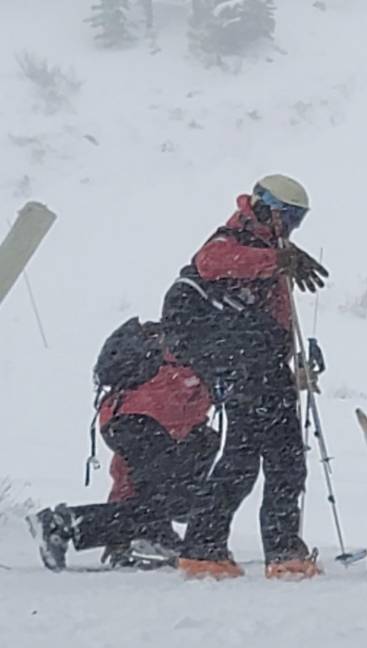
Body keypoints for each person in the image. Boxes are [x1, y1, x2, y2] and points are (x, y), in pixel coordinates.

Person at [160, 174, 328, 580]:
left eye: (297, 221)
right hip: (243, 364)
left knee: (257, 457)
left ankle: (208, 548)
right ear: (265, 207)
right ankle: (271, 550)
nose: (290, 228)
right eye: (288, 218)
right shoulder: (233, 239)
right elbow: (210, 262)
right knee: (267, 457)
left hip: (256, 364)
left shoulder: (268, 248)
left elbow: (275, 317)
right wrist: (278, 259)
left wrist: (291, 361)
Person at [28, 321, 219, 571]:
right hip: (150, 419)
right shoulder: (203, 352)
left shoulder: (172, 351)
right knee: (170, 496)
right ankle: (65, 524)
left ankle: (137, 537)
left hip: (123, 417)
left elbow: (126, 478)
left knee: (155, 491)